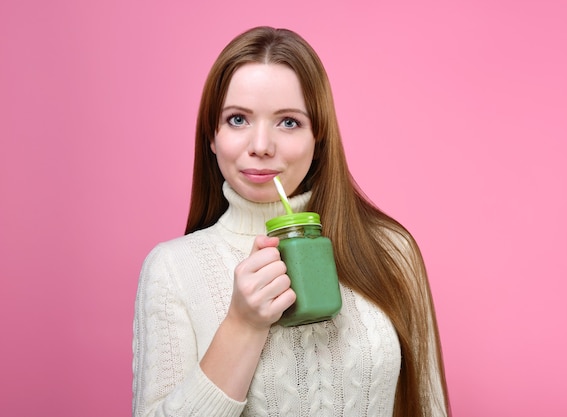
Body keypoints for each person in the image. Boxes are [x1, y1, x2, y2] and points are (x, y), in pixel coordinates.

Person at [132, 26, 450, 417]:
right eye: (237, 120)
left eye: (288, 122)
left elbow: (428, 405)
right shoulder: (172, 269)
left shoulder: (390, 249)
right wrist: (242, 324)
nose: (261, 145)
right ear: (210, 136)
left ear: (319, 138)